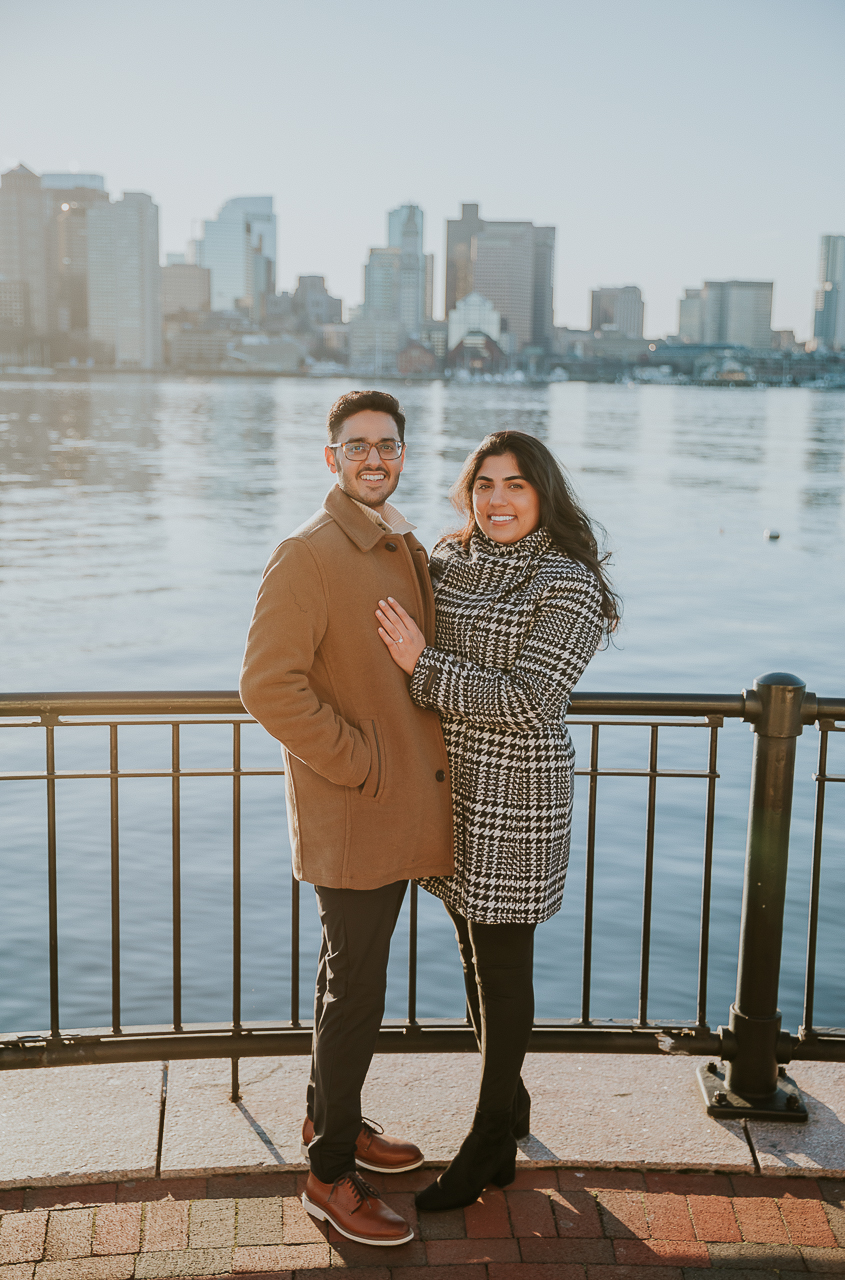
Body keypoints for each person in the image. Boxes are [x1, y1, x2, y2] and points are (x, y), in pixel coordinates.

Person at [376, 430, 619, 1211]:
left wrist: (423, 666)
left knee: (503, 966)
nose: (497, 499)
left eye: (514, 485)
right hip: (447, 789)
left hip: (517, 797)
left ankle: (486, 1141)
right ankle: (508, 1110)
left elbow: (527, 700)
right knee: (472, 955)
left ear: (542, 494)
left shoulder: (568, 583)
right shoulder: (449, 562)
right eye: (484, 484)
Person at [240, 389, 453, 1247]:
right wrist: (360, 761)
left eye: (388, 445)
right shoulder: (309, 553)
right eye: (357, 445)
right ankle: (329, 1174)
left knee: (349, 981)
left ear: (402, 455)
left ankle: (331, 1119)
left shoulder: (398, 542)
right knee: (355, 991)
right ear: (331, 458)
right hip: (355, 810)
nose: (374, 457)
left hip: (395, 809)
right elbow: (267, 686)